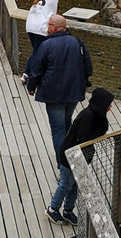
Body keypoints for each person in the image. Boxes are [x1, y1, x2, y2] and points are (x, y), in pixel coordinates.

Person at [26, 14, 93, 163]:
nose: (47, 27)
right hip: (73, 93)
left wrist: (31, 86)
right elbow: (88, 68)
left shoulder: (46, 45)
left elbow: (37, 69)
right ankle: (71, 159)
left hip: (53, 94)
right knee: (67, 124)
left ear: (55, 28)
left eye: (49, 24)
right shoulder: (78, 43)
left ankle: (62, 163)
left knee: (57, 131)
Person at [46, 87, 113, 225]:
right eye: (108, 104)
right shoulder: (87, 116)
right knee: (66, 184)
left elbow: (103, 129)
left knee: (75, 185)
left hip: (81, 156)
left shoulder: (99, 116)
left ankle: (68, 210)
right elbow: (83, 137)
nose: (110, 107)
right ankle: (53, 209)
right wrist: (96, 134)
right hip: (70, 155)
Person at [22, 0, 59, 83]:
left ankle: (27, 73)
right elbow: (53, 14)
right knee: (38, 53)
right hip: (41, 28)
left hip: (30, 26)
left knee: (36, 51)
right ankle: (29, 75)